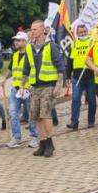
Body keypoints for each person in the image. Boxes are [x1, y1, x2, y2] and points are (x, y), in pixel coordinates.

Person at [22, 20, 66, 156]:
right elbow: (26, 68)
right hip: (35, 86)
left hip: (48, 85)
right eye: (31, 29)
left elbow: (60, 67)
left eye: (35, 29)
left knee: (45, 114)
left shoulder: (51, 46)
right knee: (35, 116)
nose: (32, 32)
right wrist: (23, 85)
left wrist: (59, 85)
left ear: (42, 30)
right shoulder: (29, 47)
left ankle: (50, 143)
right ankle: (42, 143)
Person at [2, 31, 39, 149]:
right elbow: (11, 70)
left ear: (24, 41)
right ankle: (16, 137)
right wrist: (4, 77)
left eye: (18, 40)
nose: (15, 42)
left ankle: (34, 137)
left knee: (32, 114)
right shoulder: (15, 55)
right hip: (16, 88)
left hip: (28, 88)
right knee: (13, 113)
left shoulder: (31, 52)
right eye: (15, 40)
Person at [67, 23, 97, 130]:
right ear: (77, 33)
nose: (83, 34)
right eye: (81, 32)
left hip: (90, 75)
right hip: (77, 76)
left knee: (91, 99)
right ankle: (74, 122)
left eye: (84, 32)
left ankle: (91, 121)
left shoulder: (93, 43)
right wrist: (68, 76)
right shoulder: (74, 44)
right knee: (75, 99)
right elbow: (70, 61)